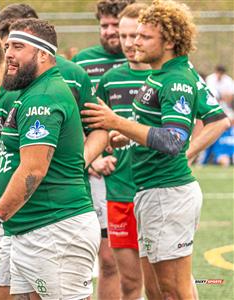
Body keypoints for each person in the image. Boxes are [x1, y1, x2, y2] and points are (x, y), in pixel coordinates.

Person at [0, 18, 100, 299]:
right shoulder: (26, 94)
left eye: (18, 46)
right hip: (25, 228)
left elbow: (33, 170)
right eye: (8, 45)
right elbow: (1, 164)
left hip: (56, 229)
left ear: (43, 55)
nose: (8, 53)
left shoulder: (43, 97)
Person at [83, 1, 203, 298]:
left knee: (174, 291)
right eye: (134, 35)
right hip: (148, 192)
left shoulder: (176, 80)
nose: (134, 42)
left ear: (171, 41)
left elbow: (174, 140)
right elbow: (153, 128)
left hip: (167, 192)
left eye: (144, 37)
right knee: (157, 289)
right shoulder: (157, 75)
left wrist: (116, 122)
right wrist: (127, 135)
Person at [72, 1, 134, 298]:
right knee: (108, 260)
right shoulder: (83, 63)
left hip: (144, 172)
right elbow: (73, 121)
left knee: (150, 261)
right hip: (101, 175)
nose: (111, 32)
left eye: (116, 25)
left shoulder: (151, 60)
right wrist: (93, 157)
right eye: (104, 26)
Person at [93, 4, 149, 299]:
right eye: (124, 36)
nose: (128, 43)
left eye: (135, 35)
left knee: (164, 282)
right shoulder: (110, 79)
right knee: (128, 282)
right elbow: (95, 127)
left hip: (157, 189)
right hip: (118, 191)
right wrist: (95, 157)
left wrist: (186, 152)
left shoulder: (170, 75)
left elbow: (205, 121)